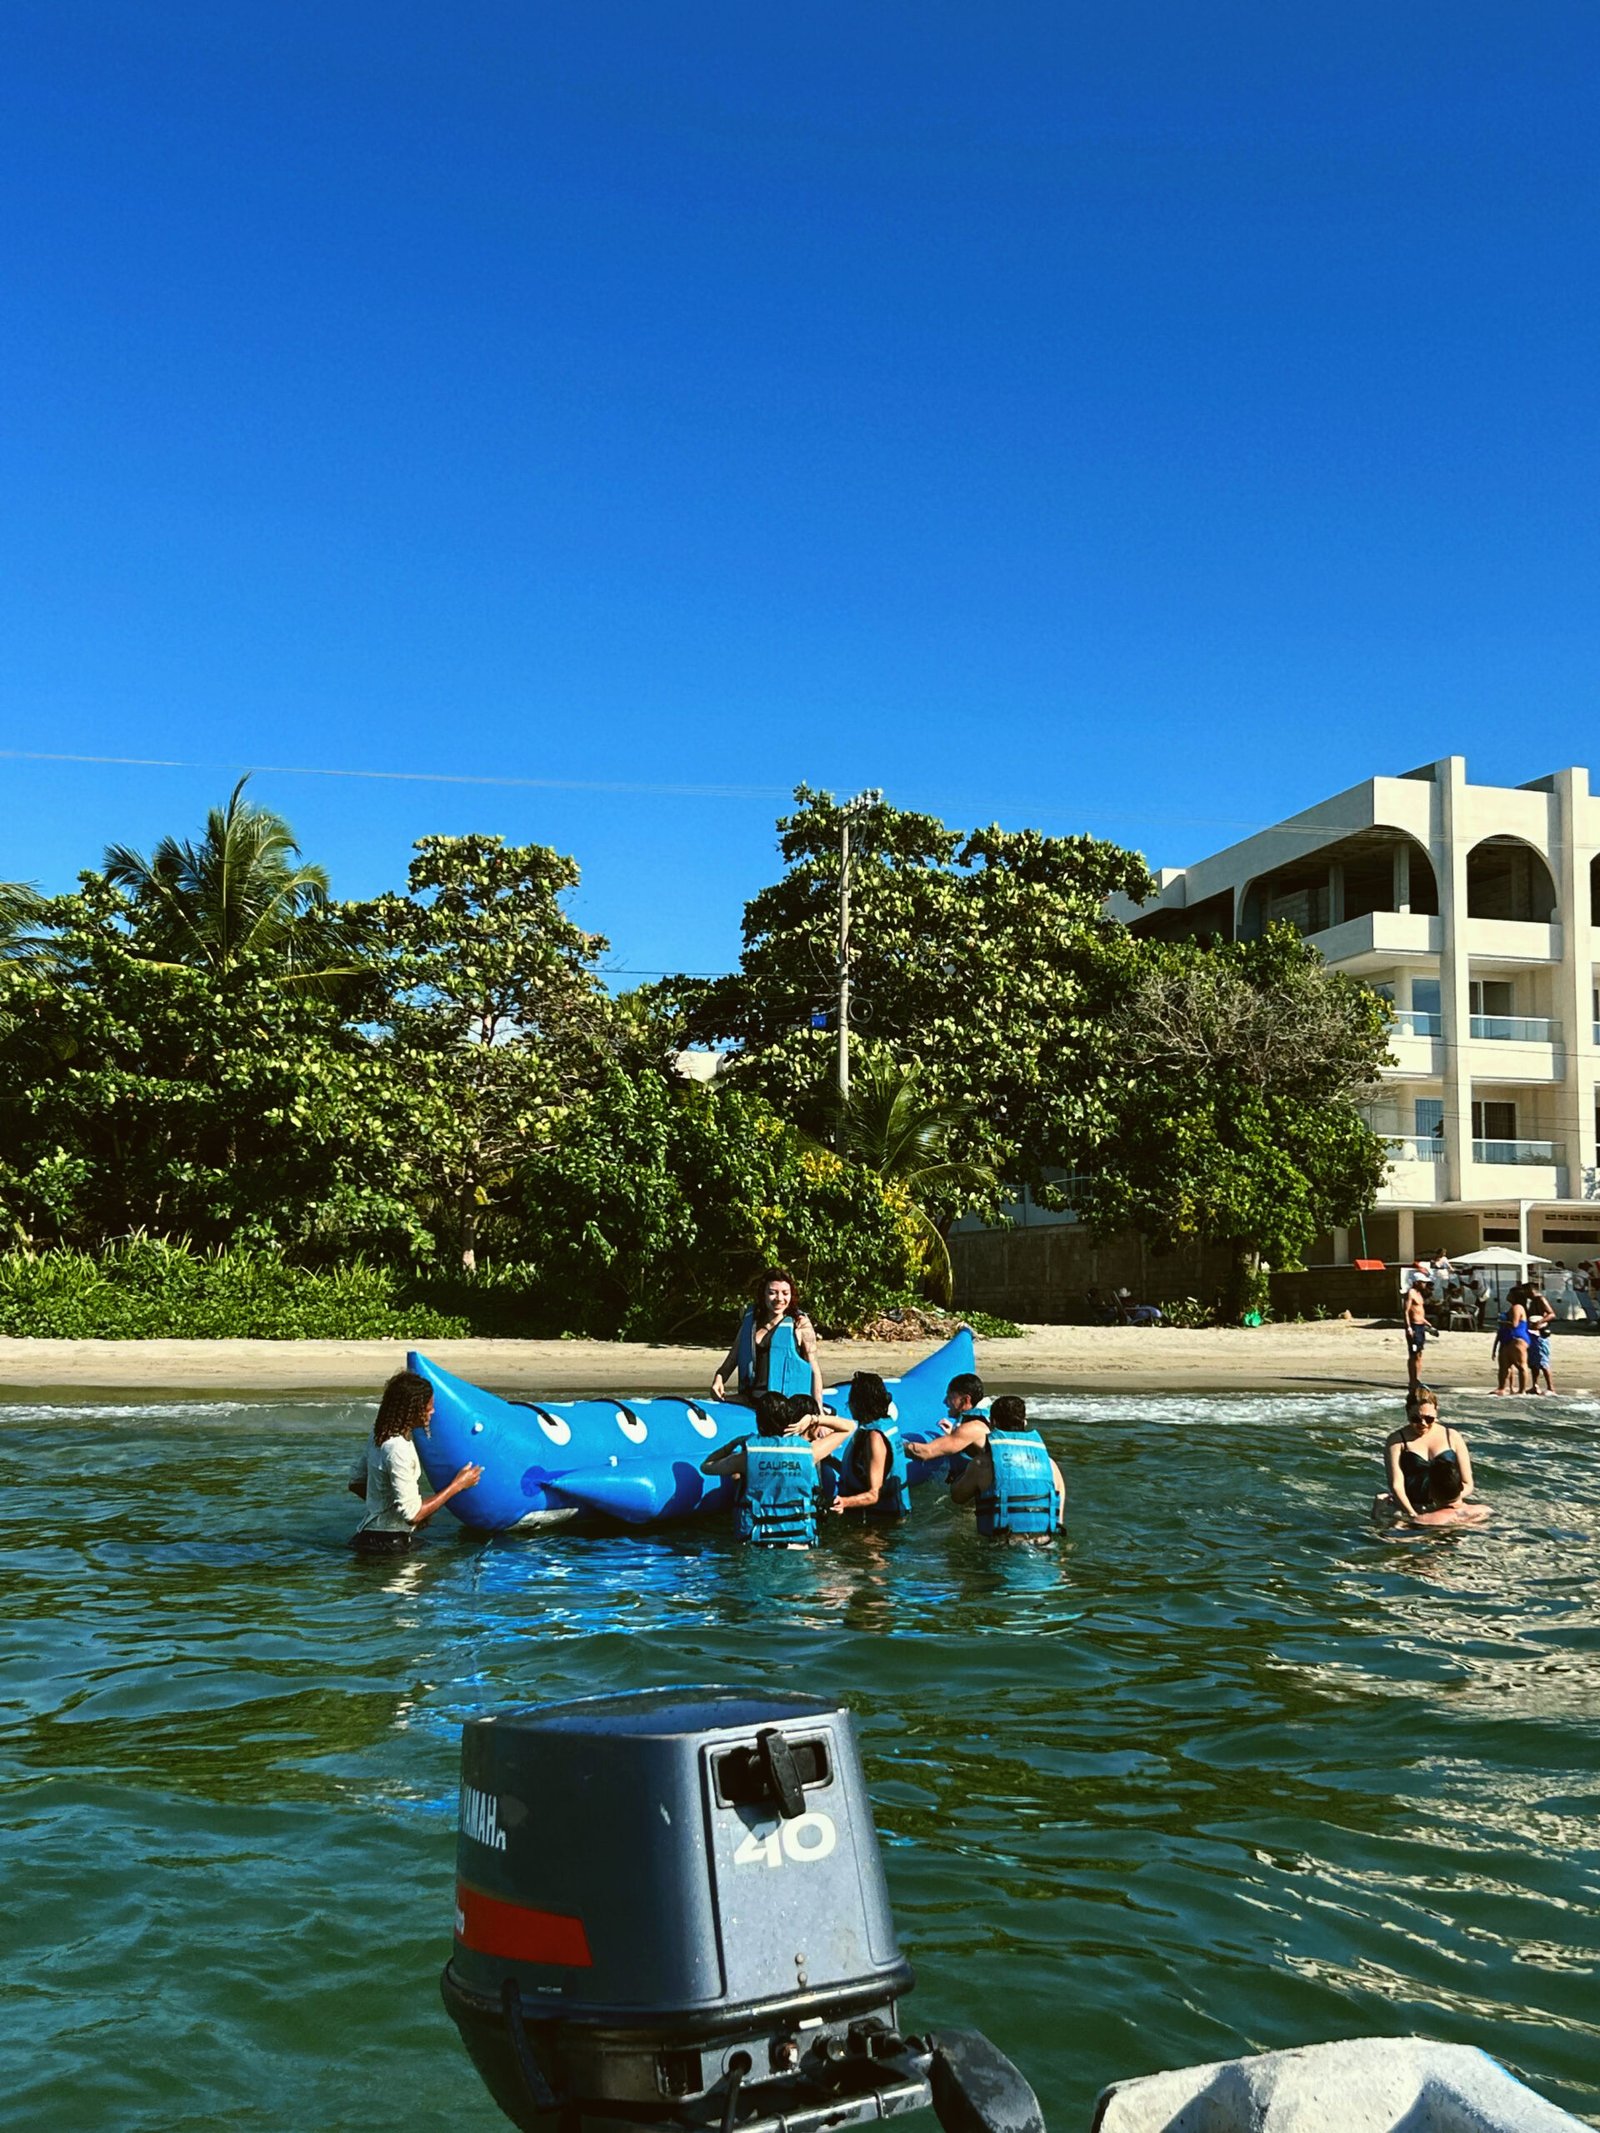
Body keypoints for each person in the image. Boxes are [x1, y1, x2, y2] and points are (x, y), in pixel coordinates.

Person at [347, 1368, 482, 1553]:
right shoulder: (397, 1449)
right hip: (387, 1546)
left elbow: (356, 1482)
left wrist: (391, 1508)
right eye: (429, 1407)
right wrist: (458, 1484)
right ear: (413, 1410)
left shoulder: (379, 1436)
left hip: (368, 1539)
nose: (432, 1411)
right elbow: (414, 1515)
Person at [700, 1392, 847, 1546]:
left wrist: (733, 1444)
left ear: (759, 1423)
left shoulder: (747, 1457)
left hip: (757, 1543)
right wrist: (814, 1418)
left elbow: (706, 1467)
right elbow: (849, 1427)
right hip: (799, 1543)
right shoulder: (810, 1452)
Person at [950, 1395, 1065, 1540]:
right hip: (1044, 1549)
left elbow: (957, 1497)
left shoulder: (981, 1465)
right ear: (1024, 1422)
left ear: (992, 1423)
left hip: (1000, 1549)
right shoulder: (1051, 1465)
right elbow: (1058, 1519)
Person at [711, 1267, 823, 1411]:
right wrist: (718, 1379)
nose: (779, 1299)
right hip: (752, 1400)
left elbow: (814, 1370)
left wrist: (819, 1414)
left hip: (787, 1405)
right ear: (763, 1295)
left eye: (785, 1293)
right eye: (772, 1293)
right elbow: (730, 1362)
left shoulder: (800, 1325)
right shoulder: (751, 1325)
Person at [1375, 1388, 1487, 1528]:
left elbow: (1468, 1483)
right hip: (1412, 1506)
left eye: (1429, 1419)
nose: (1423, 1424)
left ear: (1436, 1411)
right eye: (1415, 1419)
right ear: (1407, 1413)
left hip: (1447, 1507)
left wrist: (1448, 1502)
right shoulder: (1397, 1441)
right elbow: (1396, 1485)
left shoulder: (1452, 1436)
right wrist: (1412, 1515)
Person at [827, 1372, 910, 1517]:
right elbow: (862, 1474)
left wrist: (844, 1502)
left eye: (851, 1400)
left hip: (881, 1523)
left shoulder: (875, 1437)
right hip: (885, 1517)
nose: (848, 1405)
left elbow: (873, 1494)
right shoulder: (885, 1424)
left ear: (859, 1403)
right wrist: (828, 1460)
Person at [905, 1372, 989, 1469]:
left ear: (966, 1400)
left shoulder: (972, 1427)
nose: (945, 1401)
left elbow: (926, 1452)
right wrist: (954, 1433)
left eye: (950, 1397)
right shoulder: (982, 1420)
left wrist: (894, 1444)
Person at [1493, 1293, 1530, 1395]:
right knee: (1504, 1366)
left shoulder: (1517, 1307)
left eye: (1510, 1293)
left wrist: (1502, 1322)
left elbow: (1514, 1324)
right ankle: (1502, 1388)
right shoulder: (1512, 1307)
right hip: (1506, 1338)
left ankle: (1522, 1390)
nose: (1508, 1294)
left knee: (1521, 1365)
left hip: (1516, 1338)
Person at [1524, 1284, 1556, 1394]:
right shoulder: (1532, 1301)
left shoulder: (1541, 1299)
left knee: (1543, 1361)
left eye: (1526, 1291)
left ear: (1531, 1290)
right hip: (1533, 1332)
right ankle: (1535, 1386)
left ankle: (1550, 1388)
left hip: (1540, 1333)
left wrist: (1540, 1322)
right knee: (1533, 1362)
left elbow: (1551, 1314)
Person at [1402, 1276, 1431, 1388]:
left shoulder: (1419, 1294)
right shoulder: (1411, 1293)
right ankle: (1412, 1380)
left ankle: (1417, 1379)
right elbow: (1406, 1311)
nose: (1424, 1285)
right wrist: (1408, 1327)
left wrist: (1427, 1323)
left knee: (1419, 1354)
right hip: (1413, 1326)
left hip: (1420, 1326)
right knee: (1413, 1354)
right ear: (1417, 1282)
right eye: (1423, 1282)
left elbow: (1419, 1312)